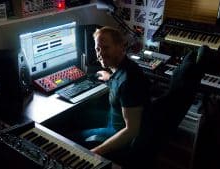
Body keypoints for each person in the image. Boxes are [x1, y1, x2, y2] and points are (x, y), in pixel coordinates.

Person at [67, 26, 211, 168]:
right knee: (78, 116)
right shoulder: (125, 69)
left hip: (119, 132)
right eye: (98, 49)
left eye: (105, 48)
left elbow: (131, 130)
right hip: (115, 120)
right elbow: (120, 84)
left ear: (121, 47)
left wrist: (96, 152)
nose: (100, 53)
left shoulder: (129, 82)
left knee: (70, 136)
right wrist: (109, 78)